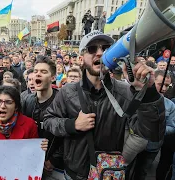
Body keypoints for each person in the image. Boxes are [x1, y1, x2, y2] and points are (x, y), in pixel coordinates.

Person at [43, 31, 165, 179]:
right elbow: (49, 120)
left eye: (106, 48)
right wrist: (72, 125)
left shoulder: (125, 92)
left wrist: (148, 91)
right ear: (81, 59)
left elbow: (153, 133)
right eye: (92, 49)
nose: (100, 53)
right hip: (74, 174)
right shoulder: (67, 92)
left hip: (108, 174)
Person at [22, 56, 64, 177]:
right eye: (36, 71)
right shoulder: (26, 101)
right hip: (31, 164)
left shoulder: (62, 101)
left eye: (43, 72)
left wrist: (53, 160)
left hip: (55, 168)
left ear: (53, 78)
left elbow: (69, 135)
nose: (38, 74)